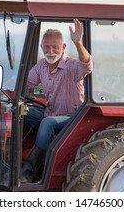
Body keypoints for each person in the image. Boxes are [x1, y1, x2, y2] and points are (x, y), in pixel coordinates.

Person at [21, 18, 93, 183]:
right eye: (47, 47)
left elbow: (87, 66)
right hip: (51, 113)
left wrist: (79, 43)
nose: (51, 51)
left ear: (63, 48)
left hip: (73, 117)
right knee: (17, 113)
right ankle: (10, 160)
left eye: (55, 47)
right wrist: (2, 88)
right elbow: (25, 82)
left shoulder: (71, 66)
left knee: (47, 123)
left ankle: (28, 171)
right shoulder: (41, 67)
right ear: (42, 48)